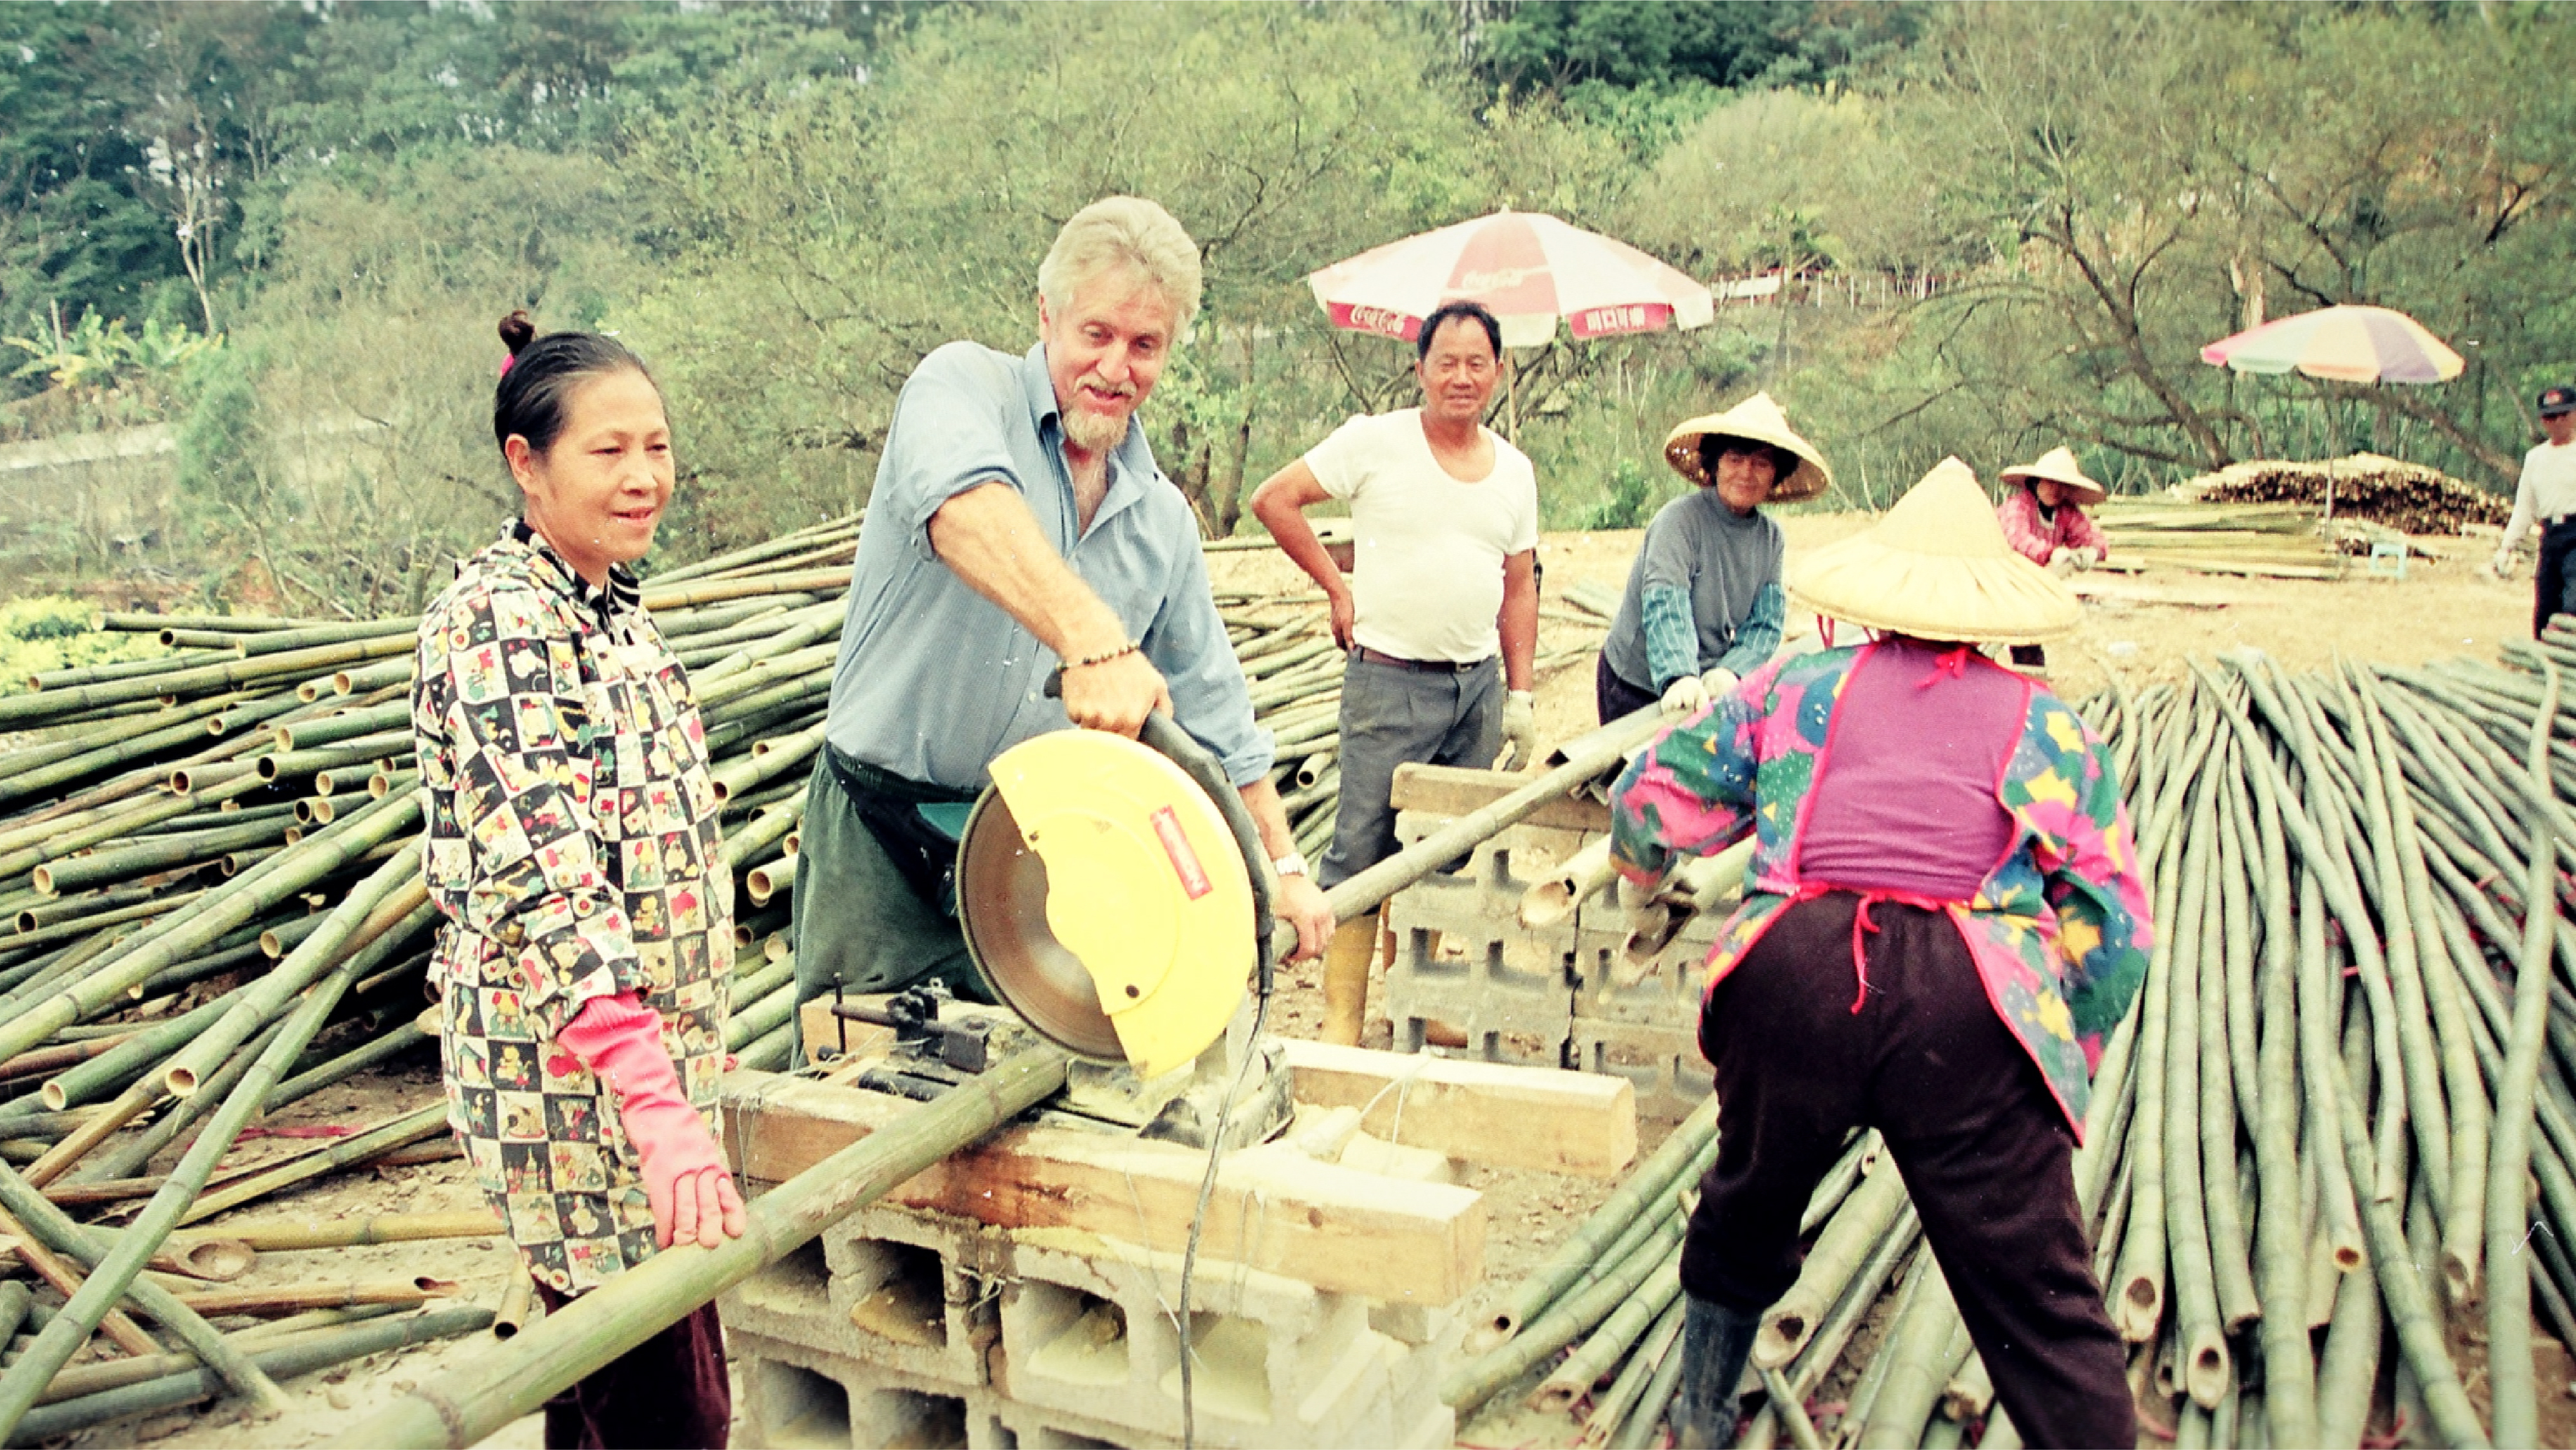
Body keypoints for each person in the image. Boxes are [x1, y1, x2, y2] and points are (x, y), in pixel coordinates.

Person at [1609, 457, 2152, 1449]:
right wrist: (2060, 1045)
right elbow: (2112, 926)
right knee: (2039, 1283)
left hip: (1797, 971)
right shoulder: (2046, 723)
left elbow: (1649, 804)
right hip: (1971, 1001)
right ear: (1988, 609)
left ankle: (1700, 1412)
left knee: (1748, 1201)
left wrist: (1643, 867)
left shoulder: (1797, 684)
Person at [794, 196, 1332, 1021]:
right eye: (1097, 335)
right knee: (851, 1086)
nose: (1117, 369)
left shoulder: (1160, 518)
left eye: (1145, 346)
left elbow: (1219, 718)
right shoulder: (960, 388)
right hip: (879, 831)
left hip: (1030, 851)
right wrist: (1091, 639)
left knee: (1033, 1096)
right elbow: (963, 508)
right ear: (1046, 315)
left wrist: (1282, 869)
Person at [414, 313, 741, 1449]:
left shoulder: (611, 611)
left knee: (615, 1388)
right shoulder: (500, 618)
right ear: (526, 462)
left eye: (656, 446)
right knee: (661, 1401)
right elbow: (547, 873)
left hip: (642, 1069)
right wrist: (657, 1104)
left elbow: (655, 849)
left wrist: (694, 1049)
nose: (645, 475)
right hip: (569, 1083)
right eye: (608, 452)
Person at [1248, 300, 1540, 1046]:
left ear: (1499, 372)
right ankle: (1342, 1014)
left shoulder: (1514, 471)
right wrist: (1336, 587)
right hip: (1388, 681)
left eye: (1478, 362)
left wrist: (1523, 694)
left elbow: (1518, 586)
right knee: (1361, 846)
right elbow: (1273, 500)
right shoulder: (1374, 443)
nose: (1462, 376)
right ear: (1420, 370)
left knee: (1444, 847)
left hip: (1474, 686)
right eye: (1446, 361)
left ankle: (1414, 997)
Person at [1596, 393, 1828, 724]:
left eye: (1761, 463)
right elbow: (1666, 606)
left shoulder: (1771, 539)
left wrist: (1732, 670)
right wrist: (1678, 676)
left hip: (1707, 677)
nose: (1746, 473)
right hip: (1637, 679)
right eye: (1735, 458)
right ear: (1715, 463)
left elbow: (1766, 623)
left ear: (1776, 474)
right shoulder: (1679, 522)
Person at [1993, 445, 2108, 670]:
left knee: (2028, 638)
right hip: (1999, 580)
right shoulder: (2018, 507)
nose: (2056, 490)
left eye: (2063, 485)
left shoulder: (2064, 513)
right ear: (2036, 482)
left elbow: (2093, 537)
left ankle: (2030, 675)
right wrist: (2051, 553)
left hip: (2029, 589)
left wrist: (2091, 552)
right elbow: (2016, 539)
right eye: (2051, 482)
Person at [2492, 384, 2576, 637]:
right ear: (2542, 420)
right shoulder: (2535, 458)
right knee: (2546, 608)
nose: (2557, 422)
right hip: (2551, 536)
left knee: (2573, 605)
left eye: (2564, 415)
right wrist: (2507, 547)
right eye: (2550, 417)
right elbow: (2525, 507)